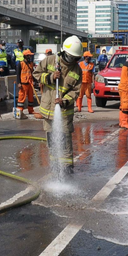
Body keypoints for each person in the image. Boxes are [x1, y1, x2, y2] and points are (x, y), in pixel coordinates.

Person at [33, 35, 83, 175]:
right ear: (64, 52)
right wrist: (49, 77)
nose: (71, 59)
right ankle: (55, 167)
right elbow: (36, 74)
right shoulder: (50, 60)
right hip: (48, 111)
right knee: (52, 141)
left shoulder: (77, 70)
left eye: (74, 57)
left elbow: (76, 91)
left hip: (64, 114)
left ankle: (67, 170)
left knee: (65, 142)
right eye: (70, 56)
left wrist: (64, 101)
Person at [16, 49, 35, 119]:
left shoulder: (31, 64)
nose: (30, 57)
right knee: (21, 98)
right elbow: (18, 74)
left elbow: (32, 73)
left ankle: (31, 110)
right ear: (25, 56)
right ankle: (19, 111)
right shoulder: (20, 63)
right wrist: (19, 83)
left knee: (31, 98)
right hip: (23, 83)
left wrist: (34, 81)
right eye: (29, 55)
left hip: (30, 83)